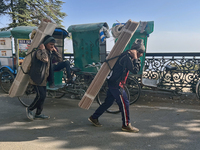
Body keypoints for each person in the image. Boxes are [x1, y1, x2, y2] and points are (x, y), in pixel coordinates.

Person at [88, 39, 145, 132]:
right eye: (140, 53)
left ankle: (94, 117)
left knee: (108, 102)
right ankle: (126, 125)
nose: (141, 55)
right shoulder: (127, 57)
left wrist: (134, 57)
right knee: (124, 103)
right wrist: (135, 58)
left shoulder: (126, 55)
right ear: (137, 51)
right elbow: (135, 70)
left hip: (113, 82)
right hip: (117, 84)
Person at [26, 35, 62, 120]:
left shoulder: (50, 52)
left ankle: (38, 113)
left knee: (43, 96)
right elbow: (45, 59)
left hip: (43, 78)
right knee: (40, 96)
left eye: (53, 44)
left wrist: (55, 51)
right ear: (45, 44)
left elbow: (60, 59)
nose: (52, 46)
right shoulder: (39, 52)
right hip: (37, 77)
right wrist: (42, 49)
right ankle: (29, 109)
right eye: (51, 44)